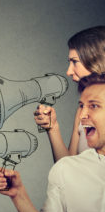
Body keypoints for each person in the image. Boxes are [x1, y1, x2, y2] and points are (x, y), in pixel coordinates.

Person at [0, 73, 105, 212]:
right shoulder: (66, 169)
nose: (82, 115)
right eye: (81, 106)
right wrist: (18, 195)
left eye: (94, 106)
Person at [34, 26, 105, 162]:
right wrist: (52, 128)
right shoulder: (83, 110)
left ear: (96, 60)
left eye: (75, 62)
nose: (69, 71)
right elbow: (68, 168)